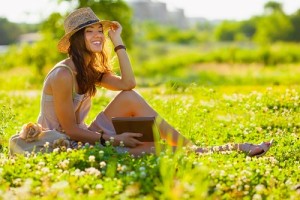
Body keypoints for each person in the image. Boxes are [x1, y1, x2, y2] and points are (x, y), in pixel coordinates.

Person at [37, 7, 273, 156]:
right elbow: (69, 130)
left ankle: (214, 148)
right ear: (78, 39)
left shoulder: (89, 71)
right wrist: (112, 139)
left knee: (129, 97)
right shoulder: (63, 75)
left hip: (85, 136)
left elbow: (129, 84)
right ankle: (222, 150)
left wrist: (118, 41)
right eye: (90, 32)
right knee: (154, 149)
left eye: (99, 30)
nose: (98, 35)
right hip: (61, 145)